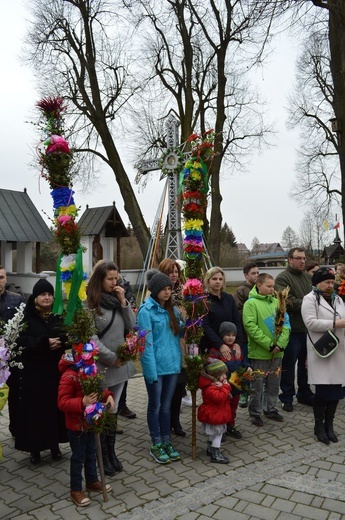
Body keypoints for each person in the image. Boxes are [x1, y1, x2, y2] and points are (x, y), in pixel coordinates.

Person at [87, 261, 136, 476]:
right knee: (103, 410)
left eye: (116, 278)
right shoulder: (90, 304)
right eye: (110, 279)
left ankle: (111, 453)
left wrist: (123, 301)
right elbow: (91, 339)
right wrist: (111, 358)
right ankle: (102, 458)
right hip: (103, 366)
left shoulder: (117, 301)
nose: (114, 282)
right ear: (100, 279)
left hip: (120, 365)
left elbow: (132, 325)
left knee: (113, 410)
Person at [14, 279, 68, 464]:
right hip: (34, 373)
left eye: (49, 294)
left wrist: (61, 340)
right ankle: (35, 449)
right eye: (42, 294)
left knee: (54, 409)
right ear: (35, 298)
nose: (46, 298)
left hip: (54, 372)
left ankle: (54, 445)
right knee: (36, 410)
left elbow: (67, 335)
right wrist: (44, 343)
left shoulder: (58, 315)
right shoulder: (25, 317)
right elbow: (20, 341)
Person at [137, 268, 183, 464]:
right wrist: (150, 371)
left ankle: (166, 440)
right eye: (163, 289)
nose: (167, 292)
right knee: (155, 406)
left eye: (169, 289)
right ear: (154, 290)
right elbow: (145, 344)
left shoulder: (171, 309)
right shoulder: (145, 311)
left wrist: (185, 323)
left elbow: (178, 334)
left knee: (166, 407)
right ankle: (156, 441)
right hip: (156, 367)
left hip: (172, 366)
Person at [58, 351, 114, 507]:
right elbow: (63, 402)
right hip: (76, 426)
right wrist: (82, 402)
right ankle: (75, 489)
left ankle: (92, 480)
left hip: (91, 422)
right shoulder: (69, 376)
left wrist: (108, 395)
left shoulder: (89, 371)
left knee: (92, 452)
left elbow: (97, 391)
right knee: (78, 457)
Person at [301, 267, 345, 445]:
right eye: (327, 282)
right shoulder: (309, 299)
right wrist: (336, 323)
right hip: (322, 350)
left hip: (339, 350)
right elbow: (310, 322)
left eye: (332, 282)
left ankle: (330, 425)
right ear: (317, 283)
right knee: (323, 390)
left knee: (335, 391)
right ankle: (319, 426)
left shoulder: (339, 300)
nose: (330, 285)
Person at [243, 273, 290, 427]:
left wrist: (280, 344)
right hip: (260, 353)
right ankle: (255, 412)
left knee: (274, 382)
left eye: (273, 286)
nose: (272, 289)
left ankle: (270, 408)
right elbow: (251, 327)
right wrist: (269, 344)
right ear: (259, 285)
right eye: (268, 286)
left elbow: (286, 325)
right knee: (257, 384)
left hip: (277, 353)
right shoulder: (251, 304)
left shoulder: (278, 302)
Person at [275, 247, 313, 411]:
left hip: (308, 329)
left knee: (306, 365)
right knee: (289, 365)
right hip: (292, 330)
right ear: (290, 260)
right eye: (298, 258)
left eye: (304, 258)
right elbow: (286, 301)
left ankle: (304, 393)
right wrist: (310, 306)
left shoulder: (307, 277)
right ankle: (287, 397)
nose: (302, 261)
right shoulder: (282, 278)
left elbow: (315, 296)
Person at [158, 258, 187, 437]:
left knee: (179, 387)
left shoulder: (184, 292)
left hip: (182, 346)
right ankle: (165, 423)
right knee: (166, 390)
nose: (174, 275)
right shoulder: (157, 294)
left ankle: (175, 420)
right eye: (170, 271)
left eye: (176, 271)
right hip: (166, 346)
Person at [209, 321, 252, 439]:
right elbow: (211, 367)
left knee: (233, 407)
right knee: (222, 407)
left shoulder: (237, 349)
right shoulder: (216, 350)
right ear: (221, 335)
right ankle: (220, 429)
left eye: (233, 335)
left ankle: (230, 426)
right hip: (223, 386)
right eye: (227, 335)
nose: (230, 338)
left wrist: (248, 367)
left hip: (236, 384)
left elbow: (244, 362)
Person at [0, 265, 25, 437]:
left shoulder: (16, 300)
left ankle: (16, 428)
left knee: (15, 394)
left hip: (11, 358)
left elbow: (23, 327)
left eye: (1, 277)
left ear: (6, 279)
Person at [199, 266, 242, 358]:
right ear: (208, 281)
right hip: (211, 347)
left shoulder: (229, 298)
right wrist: (220, 344)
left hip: (230, 344)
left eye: (220, 279)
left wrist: (238, 342)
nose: (218, 281)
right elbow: (205, 326)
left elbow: (237, 321)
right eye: (214, 279)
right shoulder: (203, 300)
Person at [233, 262, 259, 408]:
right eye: (253, 273)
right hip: (244, 335)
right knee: (243, 365)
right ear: (246, 275)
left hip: (257, 336)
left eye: (257, 273)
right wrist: (253, 315)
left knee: (255, 366)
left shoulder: (261, 289)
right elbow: (238, 313)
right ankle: (242, 392)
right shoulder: (241, 291)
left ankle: (254, 392)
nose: (256, 275)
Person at [198, 358, 231, 464]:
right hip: (216, 415)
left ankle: (210, 449)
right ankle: (216, 454)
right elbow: (219, 398)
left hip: (216, 414)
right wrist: (226, 387)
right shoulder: (211, 388)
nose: (225, 377)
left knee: (213, 433)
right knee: (218, 434)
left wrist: (223, 386)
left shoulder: (214, 385)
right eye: (223, 375)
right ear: (216, 376)